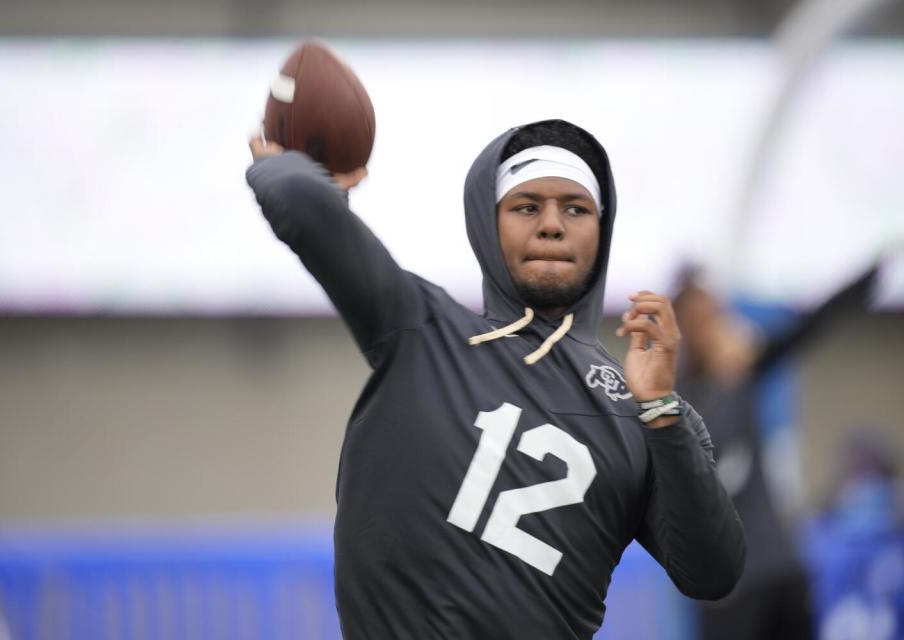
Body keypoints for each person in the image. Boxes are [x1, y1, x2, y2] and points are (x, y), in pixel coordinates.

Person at [245, 119, 745, 639]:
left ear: (602, 227)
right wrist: (296, 168)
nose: (551, 224)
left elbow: (714, 573)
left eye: (575, 209)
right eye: (526, 206)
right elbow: (298, 201)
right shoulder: (423, 328)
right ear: (489, 222)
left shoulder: (646, 409)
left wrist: (662, 409)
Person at [672, 263, 879, 640]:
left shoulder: (743, 371)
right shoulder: (675, 402)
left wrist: (869, 276)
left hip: (779, 570)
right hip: (727, 590)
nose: (717, 326)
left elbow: (805, 328)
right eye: (702, 318)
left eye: (717, 314)